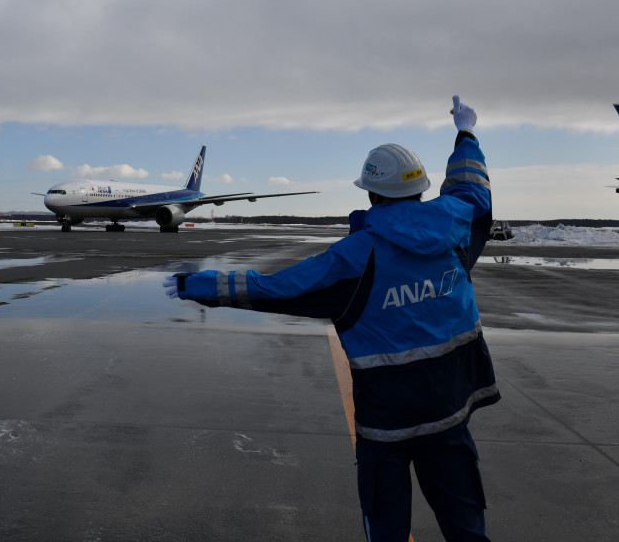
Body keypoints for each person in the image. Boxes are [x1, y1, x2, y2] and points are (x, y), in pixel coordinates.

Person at [162, 96, 498, 542]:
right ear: (418, 188)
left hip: (387, 423)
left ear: (372, 193)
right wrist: (466, 135)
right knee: (466, 525)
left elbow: (275, 288)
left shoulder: (355, 258)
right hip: (450, 412)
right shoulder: (457, 229)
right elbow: (471, 190)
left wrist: (199, 285)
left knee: (387, 525)